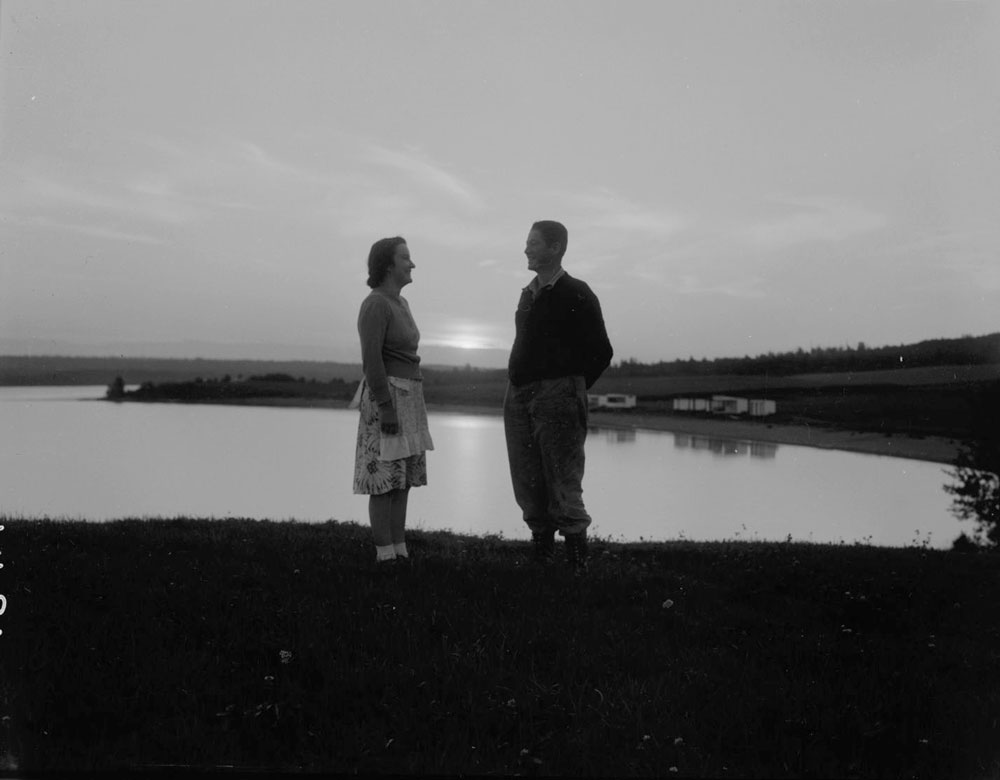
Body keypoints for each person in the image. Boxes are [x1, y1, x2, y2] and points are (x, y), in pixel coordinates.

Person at [503, 220, 613, 572]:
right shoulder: (527, 294)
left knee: (563, 478)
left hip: (557, 397)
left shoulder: (577, 292)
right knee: (526, 476)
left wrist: (570, 389)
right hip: (519, 395)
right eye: (527, 242)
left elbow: (601, 351)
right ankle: (542, 552)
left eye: (533, 243)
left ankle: (576, 562)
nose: (526, 249)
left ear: (555, 248)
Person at [352, 236, 434, 564]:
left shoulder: (401, 303)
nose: (412, 264)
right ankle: (383, 554)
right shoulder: (375, 304)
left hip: (410, 394)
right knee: (384, 479)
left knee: (403, 480)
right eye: (405, 258)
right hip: (387, 397)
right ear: (388, 265)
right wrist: (386, 406)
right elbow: (372, 359)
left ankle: (400, 550)